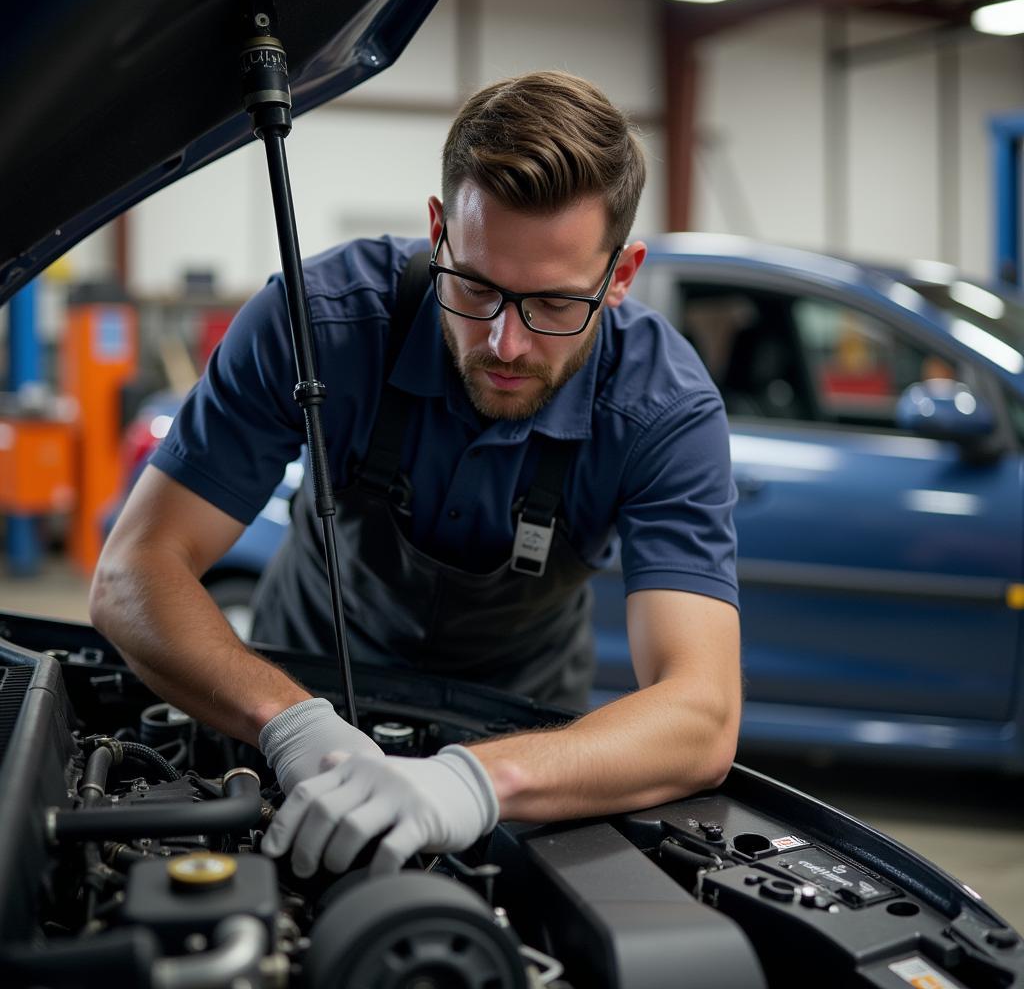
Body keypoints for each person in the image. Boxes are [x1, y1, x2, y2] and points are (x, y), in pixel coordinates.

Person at [91, 71, 741, 878]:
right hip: (296, 696)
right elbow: (132, 571)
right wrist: (289, 723)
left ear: (622, 273)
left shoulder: (661, 410)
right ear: (438, 229)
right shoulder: (319, 324)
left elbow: (702, 715)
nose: (506, 344)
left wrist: (473, 781)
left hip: (524, 738)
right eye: (475, 287)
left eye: (553, 304)